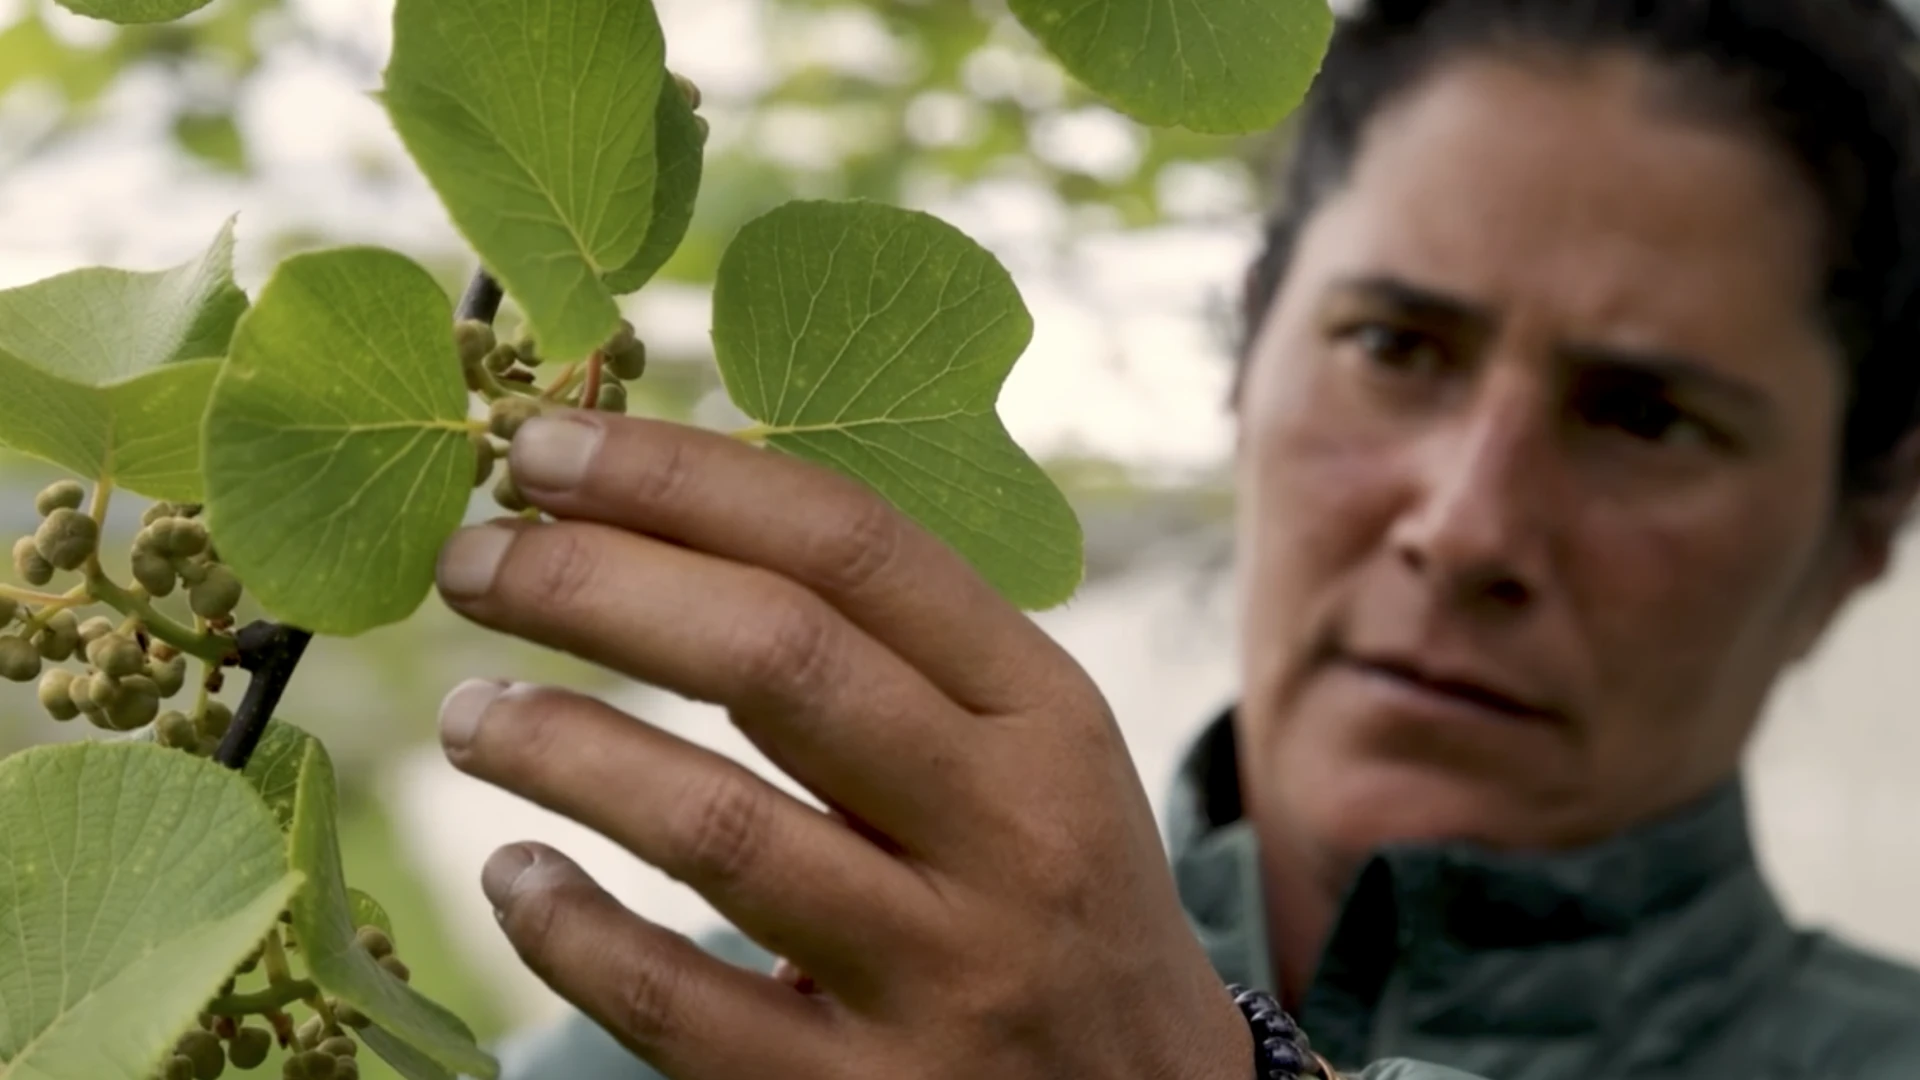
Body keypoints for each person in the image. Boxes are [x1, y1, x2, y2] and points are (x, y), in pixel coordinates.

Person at [427, 0, 1920, 1077]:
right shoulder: (713, 1032)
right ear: (1247, 353)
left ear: (1864, 527)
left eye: (1645, 417)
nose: (1467, 528)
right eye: (1397, 344)